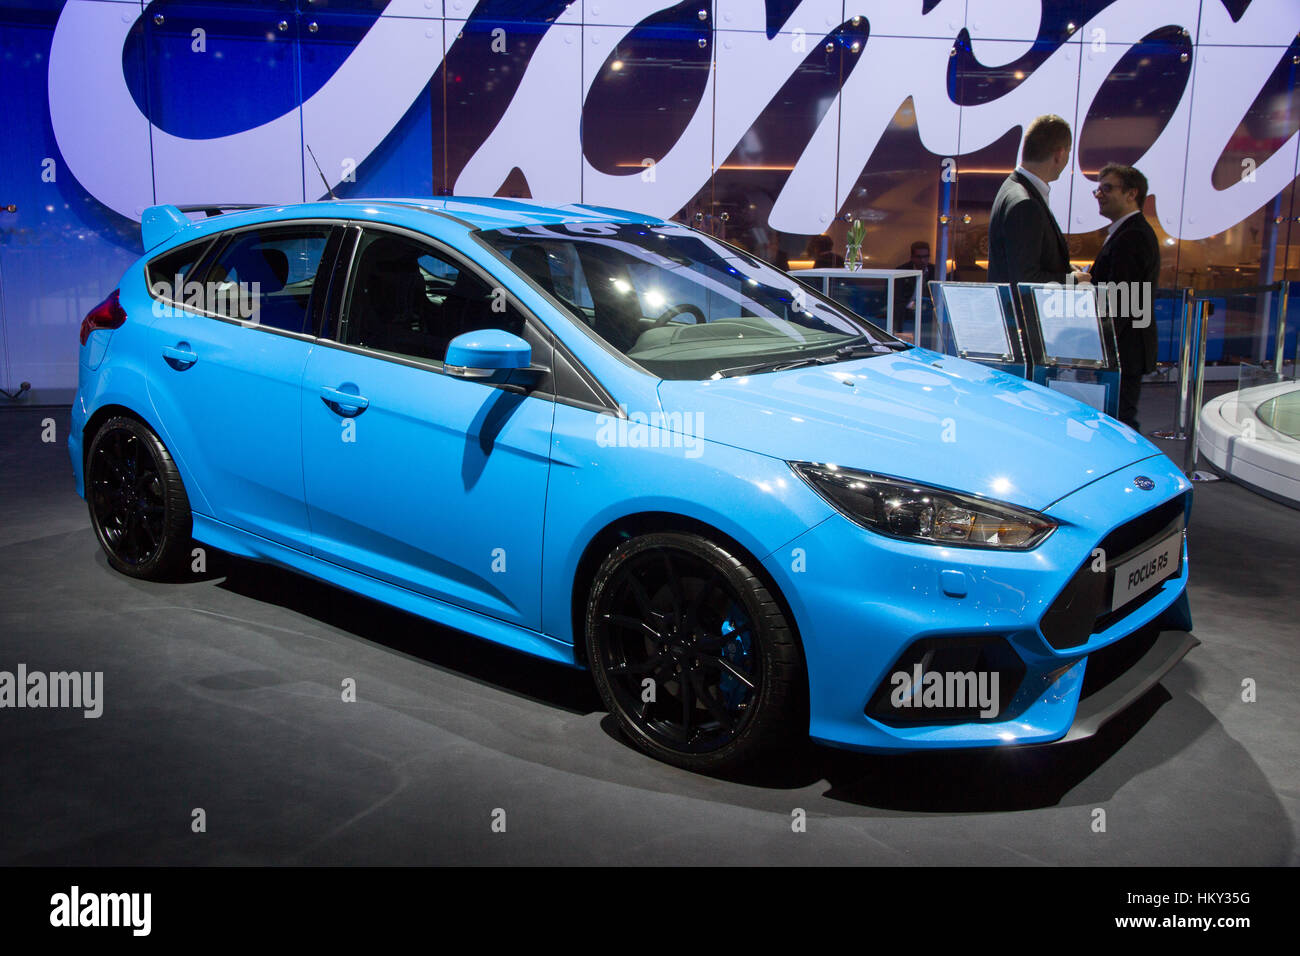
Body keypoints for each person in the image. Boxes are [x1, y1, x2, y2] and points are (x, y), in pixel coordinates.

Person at [1088, 162, 1160, 431]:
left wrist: (1101, 350)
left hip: (1123, 350)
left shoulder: (1133, 236)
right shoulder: (1127, 232)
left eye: (1107, 188)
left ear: (1132, 193)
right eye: (1098, 189)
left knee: (1121, 425)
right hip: (1123, 349)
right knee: (1118, 421)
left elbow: (1122, 301)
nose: (1100, 195)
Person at [987, 114, 1087, 287]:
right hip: (1023, 313)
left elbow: (1023, 261)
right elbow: (1026, 280)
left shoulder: (1012, 188)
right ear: (1059, 154)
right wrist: (1074, 280)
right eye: (1069, 153)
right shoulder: (1025, 204)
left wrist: (1065, 269)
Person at [893, 240, 936, 332]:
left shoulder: (935, 271)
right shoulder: (902, 271)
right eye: (919, 257)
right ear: (912, 257)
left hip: (928, 311)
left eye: (925, 257)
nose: (922, 260)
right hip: (906, 311)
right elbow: (896, 297)